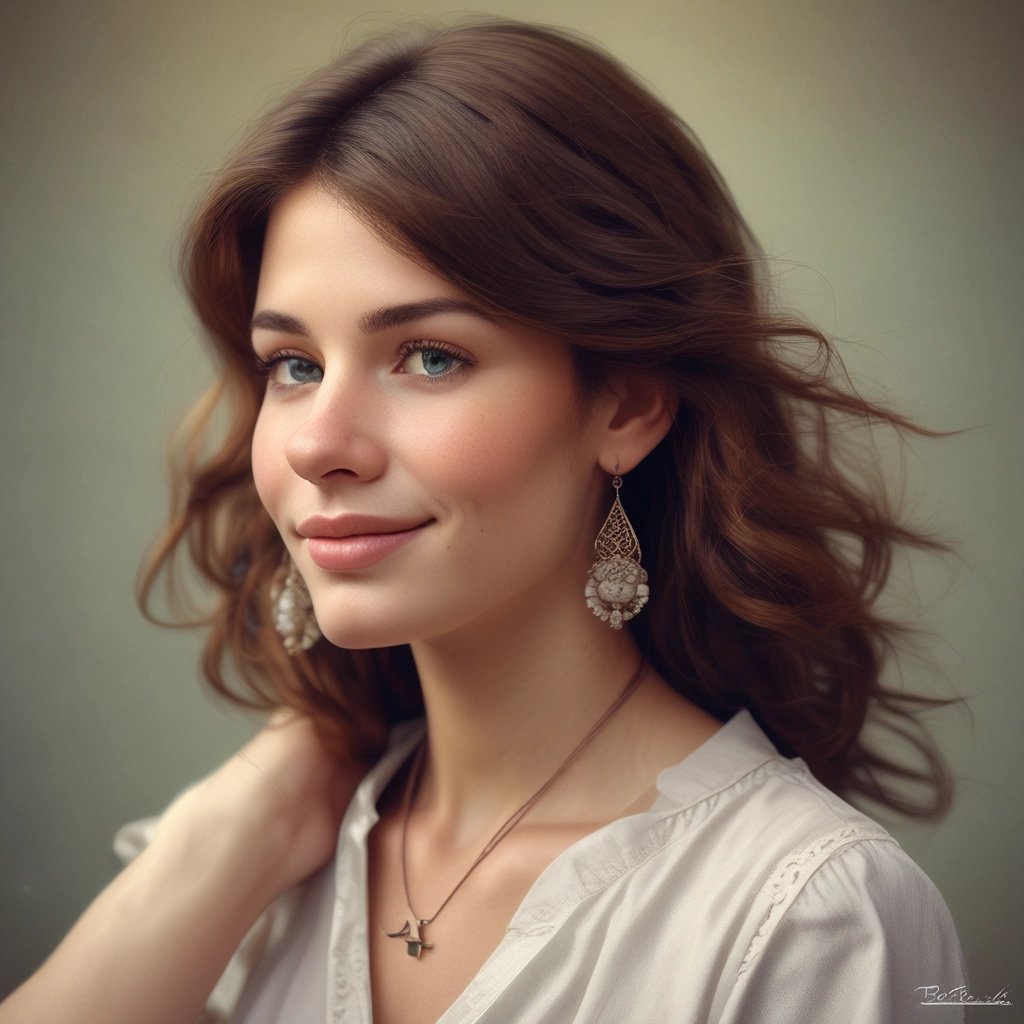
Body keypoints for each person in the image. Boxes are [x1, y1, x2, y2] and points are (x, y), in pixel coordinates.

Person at [0, 19, 967, 1024]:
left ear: (626, 404)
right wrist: (223, 839)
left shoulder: (806, 917)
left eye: (428, 356)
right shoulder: (245, 876)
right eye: (294, 365)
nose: (317, 444)